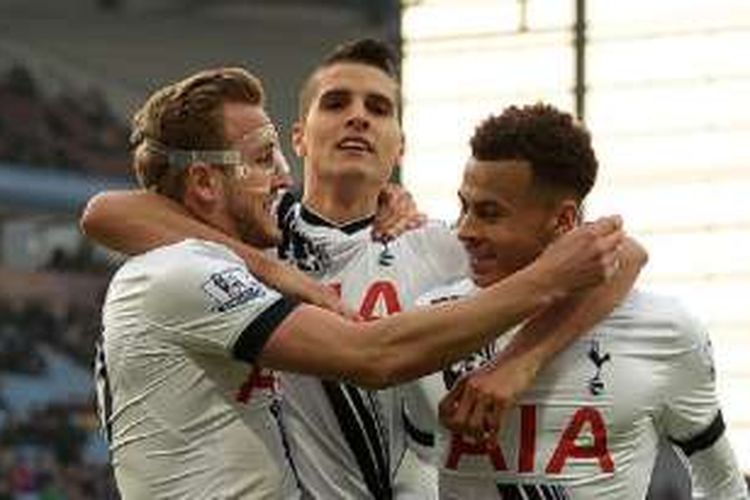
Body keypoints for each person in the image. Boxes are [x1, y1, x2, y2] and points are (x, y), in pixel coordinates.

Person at [81, 41, 644, 499]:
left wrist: (520, 363)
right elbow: (107, 211)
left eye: (379, 109)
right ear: (298, 137)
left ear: (400, 145)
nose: (357, 116)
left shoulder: (440, 244)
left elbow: (621, 255)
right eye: (336, 103)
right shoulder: (246, 235)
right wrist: (272, 270)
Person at [413, 103, 748, 499]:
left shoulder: (665, 328)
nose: (464, 230)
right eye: (463, 206)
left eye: (489, 213)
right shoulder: (431, 320)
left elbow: (723, 484)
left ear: (564, 220)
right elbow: (410, 471)